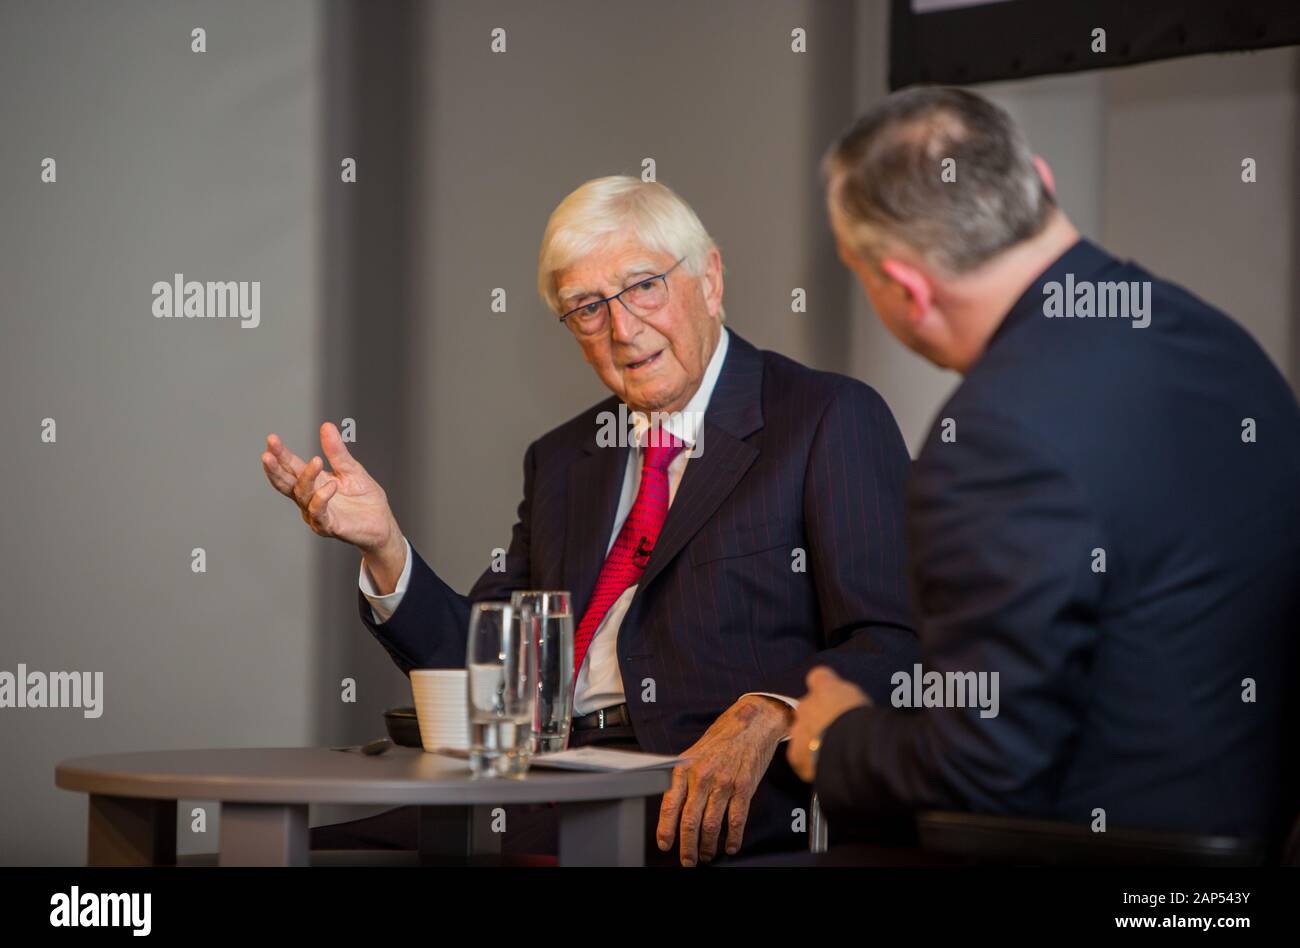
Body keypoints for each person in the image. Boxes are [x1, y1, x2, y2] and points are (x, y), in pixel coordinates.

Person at [262, 175, 917, 864]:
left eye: (643, 287)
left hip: (703, 802)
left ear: (711, 278)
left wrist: (768, 711)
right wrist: (387, 549)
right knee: (288, 855)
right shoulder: (564, 459)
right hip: (538, 786)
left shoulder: (823, 419)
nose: (623, 329)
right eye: (587, 307)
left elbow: (895, 643)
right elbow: (486, 668)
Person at [788, 87, 1300, 846]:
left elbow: (987, 767)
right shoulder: (1218, 341)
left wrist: (840, 740)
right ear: (1042, 181)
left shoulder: (992, 440)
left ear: (904, 289)